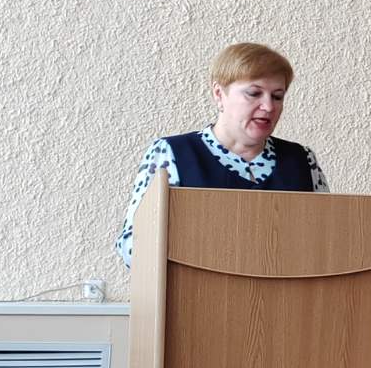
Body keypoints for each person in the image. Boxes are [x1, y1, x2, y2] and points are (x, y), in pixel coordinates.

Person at [115, 43, 328, 267]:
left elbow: (327, 241)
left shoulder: (302, 159)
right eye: (254, 93)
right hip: (197, 289)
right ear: (219, 94)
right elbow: (133, 248)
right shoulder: (171, 153)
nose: (268, 106)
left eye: (277, 96)